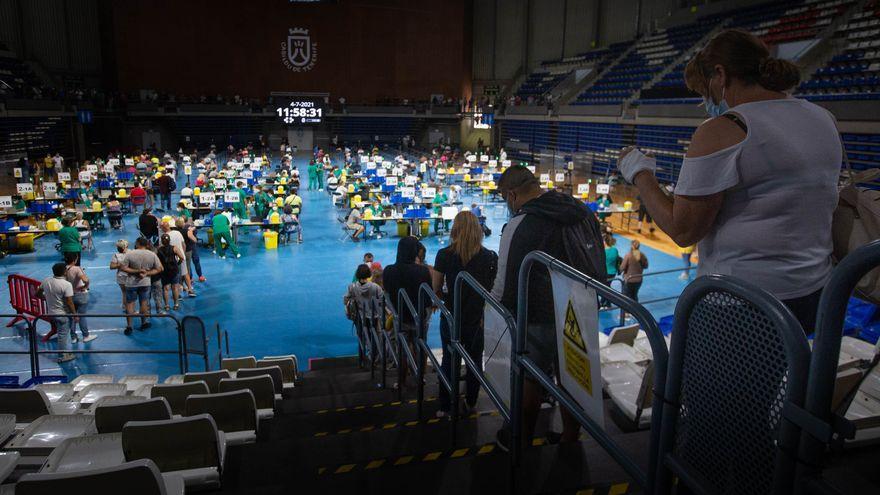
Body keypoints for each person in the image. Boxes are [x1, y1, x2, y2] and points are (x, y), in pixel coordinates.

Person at [617, 29, 839, 332]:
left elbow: (683, 230)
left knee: (700, 381)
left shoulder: (724, 129)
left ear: (720, 74)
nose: (707, 102)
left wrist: (639, 172)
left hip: (742, 304)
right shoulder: (822, 117)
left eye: (705, 92)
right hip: (814, 292)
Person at [490, 165, 606, 450]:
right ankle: (569, 438)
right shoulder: (581, 211)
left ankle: (522, 440)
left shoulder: (520, 223)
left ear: (512, 195)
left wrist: (490, 311)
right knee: (572, 377)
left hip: (538, 314)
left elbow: (503, 282)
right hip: (580, 306)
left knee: (530, 377)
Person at [433, 211, 497, 417]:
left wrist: (448, 298)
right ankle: (471, 402)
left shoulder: (444, 255)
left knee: (449, 361)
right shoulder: (490, 257)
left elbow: (435, 289)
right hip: (477, 319)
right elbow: (493, 292)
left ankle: (445, 405)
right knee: (475, 361)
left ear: (455, 229)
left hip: (452, 315)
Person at [383, 236, 432, 389]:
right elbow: (428, 297)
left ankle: (402, 380)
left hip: (400, 316)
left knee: (402, 350)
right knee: (420, 348)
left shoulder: (389, 271)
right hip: (419, 317)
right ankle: (420, 378)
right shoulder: (423, 271)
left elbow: (388, 294)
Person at [119, 237, 164, 335]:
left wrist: (136, 271)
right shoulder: (152, 254)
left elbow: (123, 268)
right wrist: (146, 273)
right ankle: (144, 322)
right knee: (144, 303)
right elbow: (160, 268)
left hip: (131, 283)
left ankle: (129, 326)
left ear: (137, 243)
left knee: (130, 304)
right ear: (147, 244)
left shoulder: (130, 254)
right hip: (145, 282)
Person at [36, 263, 77, 363]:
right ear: (64, 272)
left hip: (51, 312)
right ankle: (62, 356)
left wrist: (46, 298)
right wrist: (75, 315)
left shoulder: (46, 280)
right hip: (62, 314)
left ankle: (65, 352)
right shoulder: (66, 284)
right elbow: (69, 302)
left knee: (61, 334)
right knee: (63, 335)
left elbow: (38, 293)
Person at [64, 252, 96, 343]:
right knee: (81, 316)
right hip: (80, 295)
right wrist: (85, 286)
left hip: (69, 296)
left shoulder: (63, 269)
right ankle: (86, 336)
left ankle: (73, 338)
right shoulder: (77, 269)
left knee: (72, 316)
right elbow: (86, 279)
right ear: (75, 260)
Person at [344, 264, 385, 332]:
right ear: (369, 273)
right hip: (374, 316)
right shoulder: (375, 287)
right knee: (374, 335)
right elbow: (382, 300)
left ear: (357, 274)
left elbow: (345, 300)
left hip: (359, 316)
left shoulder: (352, 287)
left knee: (362, 335)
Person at [161, 220, 191, 295]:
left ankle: (179, 294)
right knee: (185, 273)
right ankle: (190, 289)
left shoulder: (164, 237)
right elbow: (184, 245)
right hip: (181, 256)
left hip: (172, 259)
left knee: (175, 276)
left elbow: (163, 249)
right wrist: (182, 254)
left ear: (163, 228)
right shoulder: (177, 233)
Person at [157, 233, 184, 311]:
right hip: (174, 270)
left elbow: (157, 262)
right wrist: (177, 264)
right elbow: (182, 257)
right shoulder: (174, 248)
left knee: (165, 288)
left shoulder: (159, 250)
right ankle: (176, 304)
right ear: (169, 240)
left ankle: (167, 305)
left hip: (164, 271)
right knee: (175, 288)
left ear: (162, 241)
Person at [174, 217, 197, 295]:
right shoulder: (187, 231)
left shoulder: (174, 232)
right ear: (183, 223)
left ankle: (181, 287)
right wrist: (191, 232)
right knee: (186, 269)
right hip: (187, 252)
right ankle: (189, 288)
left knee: (178, 270)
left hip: (177, 253)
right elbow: (194, 239)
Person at [109, 239, 129, 310]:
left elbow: (111, 266)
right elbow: (111, 267)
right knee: (128, 292)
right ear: (126, 246)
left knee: (124, 292)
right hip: (127, 276)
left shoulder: (116, 255)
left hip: (121, 276)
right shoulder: (131, 253)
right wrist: (119, 265)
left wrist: (118, 265)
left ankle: (125, 306)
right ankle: (128, 307)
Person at [602, 235, 620, 308]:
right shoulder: (615, 250)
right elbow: (617, 260)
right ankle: (608, 303)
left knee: (604, 289)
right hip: (613, 273)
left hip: (605, 273)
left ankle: (602, 302)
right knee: (607, 287)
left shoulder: (603, 252)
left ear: (605, 242)